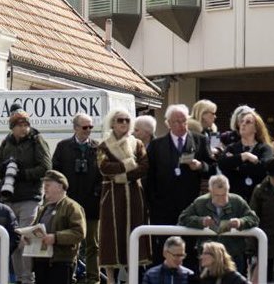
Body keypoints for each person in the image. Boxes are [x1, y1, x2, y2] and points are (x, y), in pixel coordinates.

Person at [0, 109, 52, 284]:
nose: (24, 128)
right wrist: (5, 167)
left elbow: (45, 167)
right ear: (12, 127)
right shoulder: (7, 142)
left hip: (30, 197)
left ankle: (28, 278)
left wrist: (23, 174)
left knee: (24, 240)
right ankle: (19, 278)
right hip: (10, 198)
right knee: (13, 241)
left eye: (26, 124)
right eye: (19, 125)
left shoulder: (36, 140)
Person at [146, 103, 213, 251]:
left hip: (191, 206)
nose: (182, 125)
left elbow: (213, 168)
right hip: (163, 208)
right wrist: (153, 202)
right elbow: (148, 177)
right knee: (164, 249)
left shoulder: (200, 140)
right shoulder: (157, 145)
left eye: (184, 121)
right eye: (177, 121)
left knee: (189, 250)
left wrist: (201, 166)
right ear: (168, 123)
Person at [97, 108, 150, 281]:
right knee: (111, 235)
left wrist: (122, 175)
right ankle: (111, 278)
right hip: (112, 196)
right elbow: (104, 168)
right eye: (120, 120)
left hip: (134, 195)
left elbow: (143, 167)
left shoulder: (137, 144)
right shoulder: (104, 145)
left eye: (127, 120)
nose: (124, 123)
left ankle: (131, 277)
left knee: (133, 231)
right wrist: (128, 164)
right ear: (112, 122)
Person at [51, 113, 101, 284]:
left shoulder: (97, 147)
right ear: (75, 127)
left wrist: (97, 193)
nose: (88, 131)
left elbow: (103, 175)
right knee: (71, 242)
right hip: (69, 204)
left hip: (92, 203)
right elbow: (55, 173)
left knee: (93, 244)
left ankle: (93, 278)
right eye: (85, 127)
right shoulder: (63, 147)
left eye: (91, 127)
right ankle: (70, 276)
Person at [178, 173, 259, 271]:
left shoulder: (237, 201)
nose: (221, 199)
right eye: (217, 195)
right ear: (210, 192)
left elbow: (253, 218)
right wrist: (201, 221)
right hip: (209, 256)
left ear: (228, 190)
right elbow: (183, 218)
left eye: (224, 194)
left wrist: (240, 222)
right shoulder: (200, 203)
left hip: (233, 255)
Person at [26, 171, 86, 284]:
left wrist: (56, 238)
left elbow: (79, 233)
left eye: (48, 185)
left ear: (60, 186)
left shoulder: (72, 207)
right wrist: (28, 236)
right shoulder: (43, 208)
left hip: (61, 263)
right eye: (44, 185)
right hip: (41, 262)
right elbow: (35, 228)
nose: (45, 188)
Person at [220, 110, 274, 202]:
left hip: (258, 198)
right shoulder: (232, 147)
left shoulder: (264, 148)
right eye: (242, 121)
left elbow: (264, 168)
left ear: (256, 129)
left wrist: (237, 166)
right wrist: (245, 156)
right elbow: (222, 163)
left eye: (248, 122)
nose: (243, 124)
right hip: (235, 197)